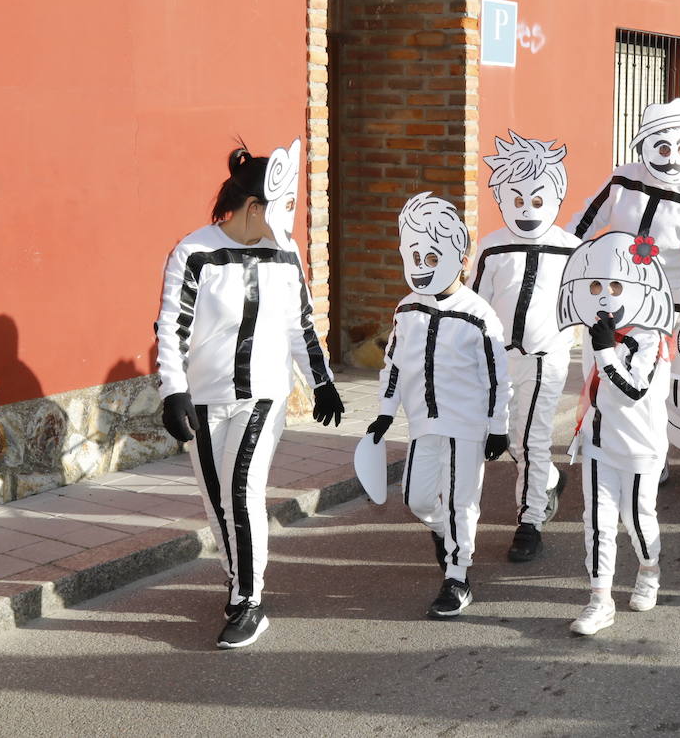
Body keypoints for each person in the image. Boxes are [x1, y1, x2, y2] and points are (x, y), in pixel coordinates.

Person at [155, 142, 345, 650]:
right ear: (254, 207)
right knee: (217, 501)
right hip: (203, 398)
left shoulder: (285, 255)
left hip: (262, 395)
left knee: (242, 489)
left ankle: (249, 601)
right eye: (279, 210)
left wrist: (321, 380)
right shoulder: (192, 252)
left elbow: (301, 325)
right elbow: (172, 328)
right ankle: (239, 578)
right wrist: (172, 390)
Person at [369, 193, 513, 618]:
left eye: (433, 255)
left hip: (468, 426)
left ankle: (457, 577)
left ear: (460, 258)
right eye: (414, 254)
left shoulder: (479, 315)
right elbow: (393, 364)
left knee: (460, 501)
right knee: (416, 498)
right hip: (423, 424)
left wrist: (498, 425)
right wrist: (384, 410)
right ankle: (446, 536)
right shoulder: (407, 308)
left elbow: (497, 377)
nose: (423, 264)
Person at [556, 232, 676, 636]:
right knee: (597, 522)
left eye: (616, 286)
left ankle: (649, 569)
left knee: (638, 521)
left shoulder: (652, 341)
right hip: (599, 443)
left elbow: (633, 392)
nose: (605, 295)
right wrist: (601, 347)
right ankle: (599, 599)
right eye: (596, 286)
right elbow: (592, 389)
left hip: (641, 446)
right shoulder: (597, 333)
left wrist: (605, 350)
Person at [472, 132, 580, 563]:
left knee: (532, 438)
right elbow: (475, 304)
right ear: (502, 200)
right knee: (514, 438)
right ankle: (549, 479)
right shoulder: (492, 246)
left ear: (555, 195)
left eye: (536, 200)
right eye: (516, 201)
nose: (527, 211)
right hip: (500, 361)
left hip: (545, 358)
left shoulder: (572, 250)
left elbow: (584, 306)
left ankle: (529, 521)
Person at [571, 98, 680, 315]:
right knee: (605, 347)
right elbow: (584, 222)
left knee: (656, 350)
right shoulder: (622, 179)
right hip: (615, 293)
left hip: (666, 301)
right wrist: (558, 252)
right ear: (645, 146)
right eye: (663, 149)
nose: (672, 157)